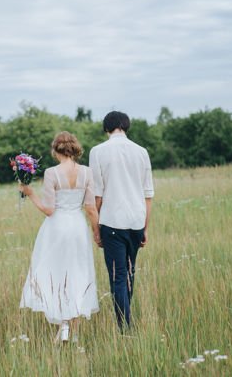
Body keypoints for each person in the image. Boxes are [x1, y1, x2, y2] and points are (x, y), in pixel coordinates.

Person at [19, 131, 101, 343]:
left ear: (55, 150)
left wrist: (30, 194)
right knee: (77, 273)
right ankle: (72, 330)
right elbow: (91, 207)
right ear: (75, 149)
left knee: (55, 273)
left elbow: (48, 210)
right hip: (77, 227)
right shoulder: (87, 172)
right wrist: (96, 231)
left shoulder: (51, 173)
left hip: (56, 228)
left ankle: (64, 327)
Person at [88, 111, 154, 330]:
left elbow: (97, 195)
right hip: (136, 220)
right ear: (126, 126)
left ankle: (125, 327)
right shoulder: (142, 152)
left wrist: (96, 229)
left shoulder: (97, 152)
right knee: (128, 273)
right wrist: (145, 227)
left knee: (118, 277)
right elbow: (148, 194)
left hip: (112, 221)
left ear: (106, 128)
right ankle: (125, 322)